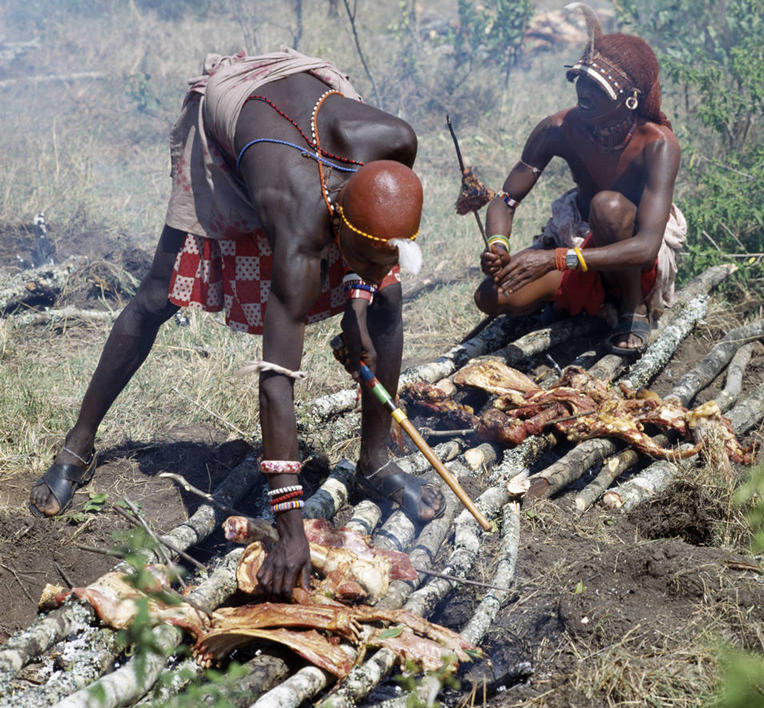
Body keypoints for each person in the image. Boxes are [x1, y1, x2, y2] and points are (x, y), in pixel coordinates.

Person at [29, 47, 443, 599]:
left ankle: (374, 460)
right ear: (335, 230)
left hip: (305, 105)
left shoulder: (397, 145)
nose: (367, 270)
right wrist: (291, 530)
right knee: (157, 296)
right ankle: (77, 447)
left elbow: (373, 249)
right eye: (356, 260)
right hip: (229, 124)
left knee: (387, 300)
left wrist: (360, 308)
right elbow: (276, 381)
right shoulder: (298, 229)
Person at [474, 3, 686, 355]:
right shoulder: (558, 128)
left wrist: (555, 259)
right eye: (581, 81)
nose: (583, 93)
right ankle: (579, 302)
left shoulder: (658, 144)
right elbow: (506, 199)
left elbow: (646, 246)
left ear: (630, 99)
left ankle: (632, 310)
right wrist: (498, 245)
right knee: (489, 296)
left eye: (597, 87)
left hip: (632, 260)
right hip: (579, 245)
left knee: (608, 206)